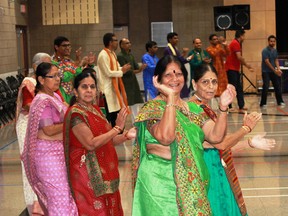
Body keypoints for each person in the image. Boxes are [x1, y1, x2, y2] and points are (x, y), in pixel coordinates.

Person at [132, 55, 236, 215]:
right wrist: (171, 99)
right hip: (161, 187)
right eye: (168, 75)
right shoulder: (151, 109)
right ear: (157, 79)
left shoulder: (193, 109)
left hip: (191, 184)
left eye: (179, 74)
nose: (174, 79)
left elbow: (216, 137)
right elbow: (166, 137)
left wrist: (222, 108)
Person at [189, 63, 276, 216]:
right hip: (206, 174)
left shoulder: (205, 108)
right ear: (194, 84)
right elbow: (220, 143)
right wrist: (245, 129)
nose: (211, 86)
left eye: (214, 81)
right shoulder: (194, 110)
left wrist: (250, 143)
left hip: (215, 169)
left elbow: (216, 147)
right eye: (205, 82)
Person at [63, 68, 136, 215]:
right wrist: (117, 128)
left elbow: (108, 139)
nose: (89, 90)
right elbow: (91, 143)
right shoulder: (76, 113)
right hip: (87, 174)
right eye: (84, 86)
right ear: (76, 92)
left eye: (92, 86)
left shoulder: (95, 109)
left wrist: (126, 135)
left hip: (106, 173)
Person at [21, 62, 78, 215]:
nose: (57, 79)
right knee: (59, 197)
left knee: (65, 196)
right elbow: (49, 129)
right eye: (53, 76)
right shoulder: (43, 101)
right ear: (41, 79)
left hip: (59, 153)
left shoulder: (55, 96)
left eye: (58, 75)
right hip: (48, 156)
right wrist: (71, 121)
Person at [15, 52, 51, 215]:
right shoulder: (29, 82)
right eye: (46, 65)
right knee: (29, 163)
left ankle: (42, 199)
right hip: (27, 126)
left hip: (38, 125)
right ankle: (32, 202)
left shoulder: (41, 83)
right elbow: (31, 106)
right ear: (36, 67)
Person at [97, 33, 131, 126]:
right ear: (110, 42)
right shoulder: (103, 55)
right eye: (115, 40)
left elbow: (116, 68)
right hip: (107, 92)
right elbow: (108, 73)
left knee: (117, 118)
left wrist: (122, 68)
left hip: (114, 91)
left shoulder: (113, 54)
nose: (117, 42)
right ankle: (111, 138)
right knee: (110, 119)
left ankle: (117, 137)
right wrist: (122, 72)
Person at [117, 38, 146, 120]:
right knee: (127, 103)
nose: (129, 44)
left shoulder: (130, 55)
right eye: (126, 43)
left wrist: (141, 68)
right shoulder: (120, 56)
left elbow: (136, 67)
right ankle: (126, 121)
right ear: (121, 45)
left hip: (133, 81)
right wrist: (139, 70)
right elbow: (125, 71)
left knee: (135, 102)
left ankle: (136, 121)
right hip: (125, 82)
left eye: (129, 43)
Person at [225, 30, 254, 112]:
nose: (244, 38)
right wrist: (247, 65)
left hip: (235, 69)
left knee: (239, 88)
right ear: (241, 36)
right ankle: (228, 106)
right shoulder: (235, 43)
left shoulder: (236, 43)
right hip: (231, 69)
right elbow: (239, 57)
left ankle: (241, 106)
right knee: (231, 89)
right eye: (244, 36)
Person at [52, 36, 82, 103]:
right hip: (60, 96)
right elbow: (64, 77)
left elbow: (79, 74)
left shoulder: (68, 61)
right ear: (56, 47)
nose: (68, 48)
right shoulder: (52, 63)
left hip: (72, 96)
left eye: (69, 45)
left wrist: (78, 60)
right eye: (64, 46)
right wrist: (75, 66)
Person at [163, 32, 193, 98]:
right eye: (175, 38)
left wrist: (187, 59)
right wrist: (183, 53)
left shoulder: (175, 48)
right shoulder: (167, 49)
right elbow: (173, 60)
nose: (177, 40)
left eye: (177, 38)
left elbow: (180, 60)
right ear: (170, 39)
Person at [260, 35, 285, 107]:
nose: (272, 43)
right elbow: (267, 62)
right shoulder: (265, 51)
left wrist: (279, 69)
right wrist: (275, 71)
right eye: (271, 41)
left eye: (274, 41)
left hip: (273, 71)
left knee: (277, 85)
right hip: (266, 72)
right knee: (266, 86)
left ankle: (280, 101)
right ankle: (263, 103)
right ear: (268, 42)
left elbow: (276, 60)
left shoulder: (275, 50)